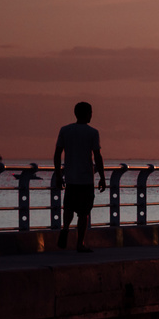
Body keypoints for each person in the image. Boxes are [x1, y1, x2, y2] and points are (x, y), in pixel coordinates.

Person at [52, 101, 105, 252]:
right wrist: (102, 176)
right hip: (86, 179)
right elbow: (97, 156)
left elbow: (57, 154)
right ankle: (80, 243)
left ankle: (65, 228)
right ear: (88, 114)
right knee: (84, 213)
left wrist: (57, 175)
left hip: (70, 178)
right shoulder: (92, 133)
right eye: (91, 112)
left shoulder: (65, 130)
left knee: (68, 208)